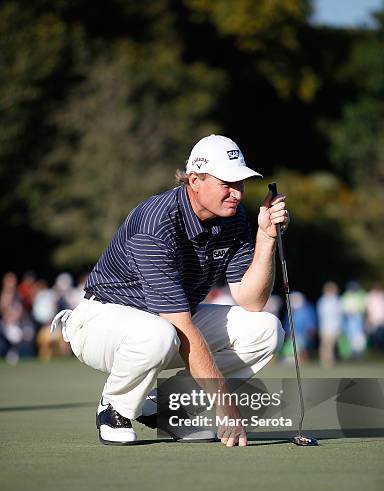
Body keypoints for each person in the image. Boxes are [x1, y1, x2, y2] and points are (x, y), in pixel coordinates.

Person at [51, 135, 288, 447]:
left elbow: (251, 300)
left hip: (167, 322)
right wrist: (223, 402)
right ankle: (115, 405)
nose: (236, 192)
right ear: (195, 181)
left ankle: (167, 407)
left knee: (267, 330)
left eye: (240, 182)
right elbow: (179, 325)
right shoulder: (156, 223)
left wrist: (266, 238)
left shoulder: (234, 218)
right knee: (160, 334)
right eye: (226, 182)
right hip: (99, 322)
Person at [316, 281, 342, 368]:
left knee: (330, 345)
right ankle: (325, 361)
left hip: (334, 327)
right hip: (325, 327)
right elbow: (320, 315)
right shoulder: (322, 301)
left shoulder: (337, 301)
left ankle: (329, 361)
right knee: (325, 345)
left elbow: (339, 315)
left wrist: (339, 327)